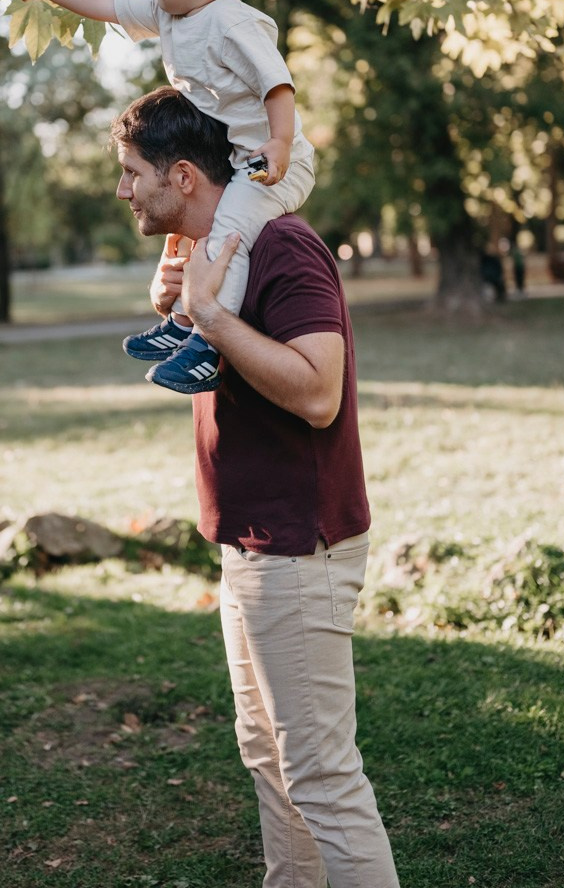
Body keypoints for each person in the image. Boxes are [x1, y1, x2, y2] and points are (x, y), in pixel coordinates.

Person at [111, 87, 400, 888]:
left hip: (299, 548)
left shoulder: (283, 247)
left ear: (184, 176)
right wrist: (187, 305)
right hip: (249, 543)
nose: (124, 190)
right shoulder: (207, 253)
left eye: (133, 174)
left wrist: (214, 320)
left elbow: (319, 393)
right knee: (269, 758)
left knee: (322, 779)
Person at [9, 0, 315, 395]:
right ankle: (182, 325)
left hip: (276, 163)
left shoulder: (233, 23)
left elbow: (276, 84)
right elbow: (106, 4)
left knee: (228, 239)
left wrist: (280, 143)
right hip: (239, 158)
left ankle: (206, 345)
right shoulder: (171, 14)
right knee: (198, 231)